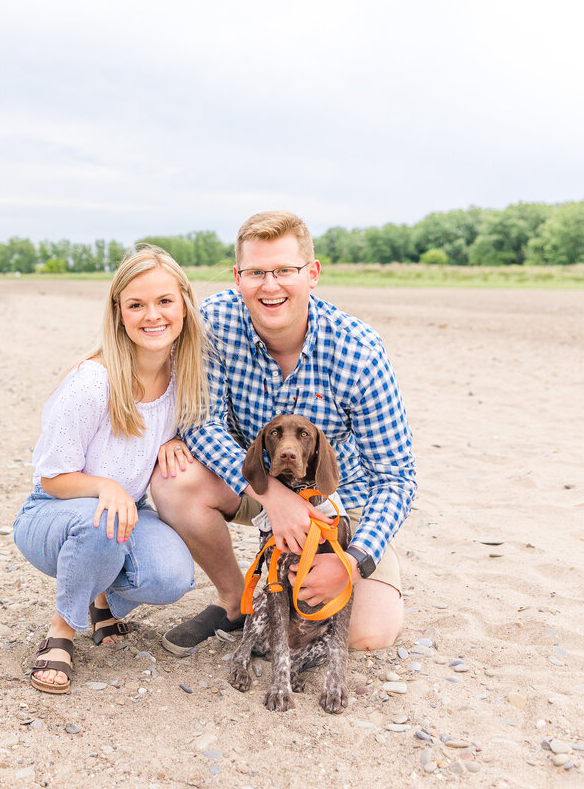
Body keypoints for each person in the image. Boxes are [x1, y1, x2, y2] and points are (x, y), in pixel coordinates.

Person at [152, 210, 416, 655]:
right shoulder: (212, 323)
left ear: (311, 274)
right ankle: (236, 602)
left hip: (335, 502)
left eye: (284, 271)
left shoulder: (359, 351)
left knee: (368, 636)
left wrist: (352, 564)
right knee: (173, 479)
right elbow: (202, 421)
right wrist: (273, 495)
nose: (270, 286)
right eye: (256, 272)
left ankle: (326, 572)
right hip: (250, 480)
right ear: (238, 277)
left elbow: (396, 476)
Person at [13, 245, 207, 694]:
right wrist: (104, 486)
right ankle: (62, 629)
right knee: (105, 525)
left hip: (122, 512)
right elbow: (52, 478)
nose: (152, 315)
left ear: (183, 305)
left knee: (171, 577)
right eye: (136, 304)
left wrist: (176, 439)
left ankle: (103, 601)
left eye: (164, 301)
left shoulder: (184, 375)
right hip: (54, 513)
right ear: (119, 313)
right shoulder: (92, 381)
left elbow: (169, 428)